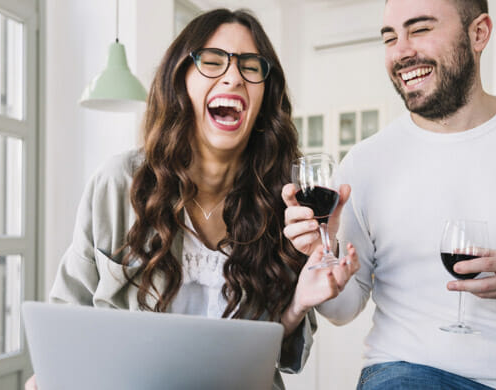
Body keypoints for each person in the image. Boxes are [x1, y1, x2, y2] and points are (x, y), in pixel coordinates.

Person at [25, 8, 359, 390]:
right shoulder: (119, 183)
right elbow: (68, 312)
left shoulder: (285, 202)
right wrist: (54, 374)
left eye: (251, 67)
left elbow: (278, 356)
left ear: (265, 96)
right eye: (213, 62)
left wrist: (299, 303)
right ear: (180, 80)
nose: (233, 77)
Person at [282, 0, 496, 389]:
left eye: (419, 30)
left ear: (479, 33)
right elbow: (342, 309)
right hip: (407, 371)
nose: (401, 51)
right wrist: (324, 258)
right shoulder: (365, 163)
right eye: (390, 37)